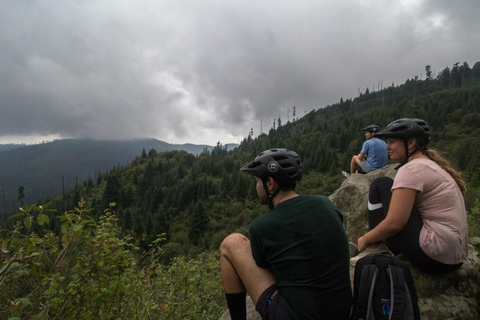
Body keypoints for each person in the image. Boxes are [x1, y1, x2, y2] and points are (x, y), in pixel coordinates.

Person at [219, 148, 352, 320]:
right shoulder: (326, 203)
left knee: (231, 243)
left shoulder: (261, 227)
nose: (256, 187)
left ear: (270, 183)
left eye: (257, 181)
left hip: (296, 316)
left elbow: (265, 271)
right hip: (342, 312)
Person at [356, 118, 468, 273]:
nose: (387, 147)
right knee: (387, 187)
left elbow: (395, 223)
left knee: (380, 185)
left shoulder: (411, 169)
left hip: (435, 256)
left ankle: (375, 246)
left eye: (392, 142)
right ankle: (377, 242)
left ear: (410, 143)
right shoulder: (429, 164)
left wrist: (365, 239)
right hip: (455, 259)